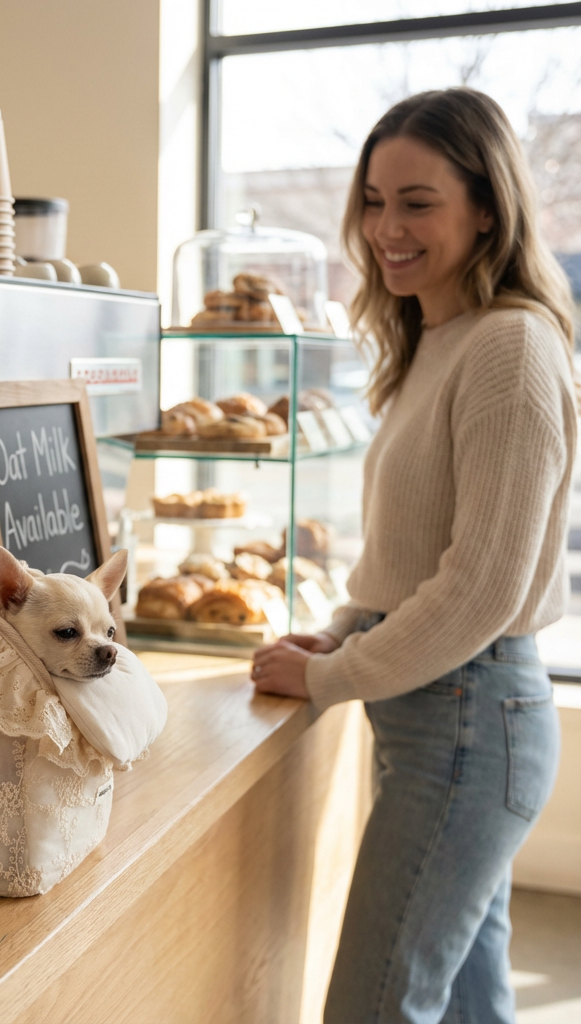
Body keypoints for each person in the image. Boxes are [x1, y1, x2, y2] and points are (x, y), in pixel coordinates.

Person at [251, 88, 577, 1024]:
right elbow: (414, 559)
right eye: (374, 199)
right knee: (470, 1005)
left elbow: (481, 588)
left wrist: (329, 677)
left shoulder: (510, 347)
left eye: (418, 201)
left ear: (487, 207)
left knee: (375, 1006)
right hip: (445, 716)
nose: (385, 226)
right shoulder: (441, 337)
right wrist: (341, 634)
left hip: (471, 722)